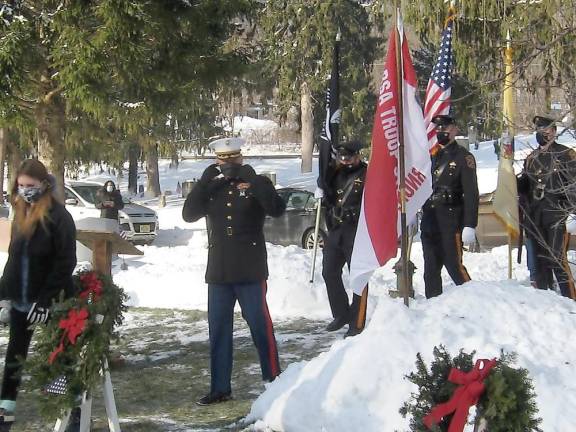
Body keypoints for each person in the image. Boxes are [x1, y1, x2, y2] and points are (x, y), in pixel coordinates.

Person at [182, 137, 285, 406]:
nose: (227, 165)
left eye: (232, 159)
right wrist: (204, 183)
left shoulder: (256, 183)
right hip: (219, 271)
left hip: (250, 269)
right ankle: (220, 388)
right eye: (222, 160)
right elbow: (189, 214)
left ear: (241, 158)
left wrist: (255, 182)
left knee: (260, 327)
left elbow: (276, 209)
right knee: (218, 330)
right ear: (216, 161)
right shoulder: (212, 189)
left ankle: (274, 379)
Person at [0, 159, 77, 425]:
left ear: (43, 185)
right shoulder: (20, 212)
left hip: (51, 303)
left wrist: (46, 301)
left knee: (58, 356)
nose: (24, 190)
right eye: (20, 185)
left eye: (29, 185)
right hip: (22, 301)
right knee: (15, 356)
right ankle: (5, 411)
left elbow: (66, 262)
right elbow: (15, 258)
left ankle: (68, 413)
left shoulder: (59, 217)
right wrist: (4, 290)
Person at [420, 115, 479, 299]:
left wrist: (470, 224)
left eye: (444, 128)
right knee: (430, 268)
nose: (440, 132)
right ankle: (433, 307)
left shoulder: (463, 157)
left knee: (454, 265)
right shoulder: (431, 156)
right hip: (430, 217)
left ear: (454, 129)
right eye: (437, 128)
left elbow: (471, 192)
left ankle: (475, 301)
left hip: (451, 218)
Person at [517, 115, 576, 298]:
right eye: (539, 130)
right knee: (540, 263)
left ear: (554, 132)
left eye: (545, 130)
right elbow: (525, 187)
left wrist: (570, 212)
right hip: (536, 217)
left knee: (557, 260)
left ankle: (570, 299)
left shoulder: (565, 155)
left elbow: (573, 186)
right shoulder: (531, 158)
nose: (541, 133)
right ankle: (546, 301)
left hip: (556, 214)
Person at [320, 140, 368, 338]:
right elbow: (330, 197)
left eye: (349, 157)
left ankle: (357, 321)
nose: (346, 161)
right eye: (342, 157)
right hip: (337, 230)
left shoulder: (367, 174)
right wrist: (322, 191)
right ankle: (341, 314)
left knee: (358, 277)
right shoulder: (336, 174)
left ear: (358, 155)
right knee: (329, 271)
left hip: (357, 231)